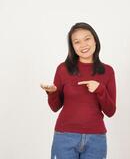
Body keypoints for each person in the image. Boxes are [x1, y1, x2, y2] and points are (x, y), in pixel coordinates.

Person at [40, 22, 117, 159]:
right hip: (65, 137)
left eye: (87, 39)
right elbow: (55, 107)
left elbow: (110, 111)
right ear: (73, 47)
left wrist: (99, 89)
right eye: (77, 42)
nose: (83, 45)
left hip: (96, 139)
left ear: (95, 40)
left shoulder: (107, 71)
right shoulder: (63, 69)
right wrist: (52, 93)